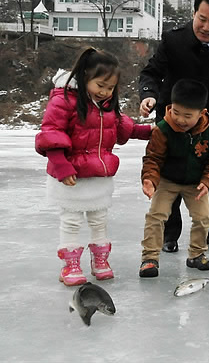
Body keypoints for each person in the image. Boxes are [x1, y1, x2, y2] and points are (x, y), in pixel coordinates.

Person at [138, 0, 209, 252]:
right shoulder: (174, 41)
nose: (206, 27)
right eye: (202, 19)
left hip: (208, 125)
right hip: (172, 120)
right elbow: (151, 72)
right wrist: (148, 95)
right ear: (194, 13)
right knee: (169, 176)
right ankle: (170, 235)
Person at [35, 47, 152, 286]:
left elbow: (120, 128)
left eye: (110, 88)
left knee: (99, 219)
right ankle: (70, 265)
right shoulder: (64, 100)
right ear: (85, 77)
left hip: (99, 175)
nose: (105, 92)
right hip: (71, 175)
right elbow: (51, 134)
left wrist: (150, 131)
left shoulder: (106, 105)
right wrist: (62, 166)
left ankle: (100, 261)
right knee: (72, 220)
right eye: (100, 85)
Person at [139, 79, 209, 277]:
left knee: (204, 217)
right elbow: (153, 158)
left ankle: (196, 254)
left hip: (196, 182)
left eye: (188, 116)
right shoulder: (163, 129)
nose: (180, 119)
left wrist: (208, 181)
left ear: (201, 113)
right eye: (176, 112)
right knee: (156, 215)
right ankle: (149, 258)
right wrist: (150, 179)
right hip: (167, 181)